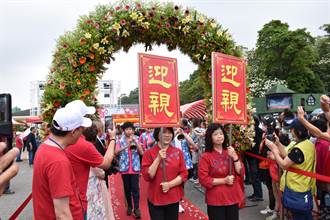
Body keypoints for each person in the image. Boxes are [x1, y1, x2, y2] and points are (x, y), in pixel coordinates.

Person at [32, 106, 90, 219]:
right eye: (81, 130)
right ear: (74, 132)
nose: (82, 135)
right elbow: (62, 214)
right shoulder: (58, 161)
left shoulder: (44, 147)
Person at [63, 100, 115, 218]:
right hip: (78, 200)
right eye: (85, 116)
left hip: (67, 198)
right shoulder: (82, 144)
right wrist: (113, 139)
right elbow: (106, 164)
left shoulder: (52, 143)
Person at [266, 118, 316, 220]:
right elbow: (288, 155)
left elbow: (284, 164)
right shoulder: (308, 144)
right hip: (305, 187)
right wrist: (278, 143)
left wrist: (274, 150)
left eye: (292, 129)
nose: (291, 132)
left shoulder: (299, 149)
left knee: (299, 216)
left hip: (297, 189)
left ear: (299, 131)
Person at [198, 123, 243, 220]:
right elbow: (203, 179)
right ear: (210, 137)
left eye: (221, 133)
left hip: (232, 196)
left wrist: (235, 157)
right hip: (215, 199)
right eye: (215, 134)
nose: (219, 136)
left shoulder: (230, 152)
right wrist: (224, 180)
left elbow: (240, 172)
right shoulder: (205, 156)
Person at [142, 127, 188, 220]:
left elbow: (184, 174)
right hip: (156, 197)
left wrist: (170, 184)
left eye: (170, 132)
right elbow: (148, 176)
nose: (167, 135)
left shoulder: (178, 152)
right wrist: (158, 158)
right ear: (157, 135)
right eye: (164, 132)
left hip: (173, 198)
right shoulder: (149, 153)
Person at [115, 121, 144, 219]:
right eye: (127, 129)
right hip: (125, 168)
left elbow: (141, 152)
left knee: (136, 189)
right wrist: (126, 146)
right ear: (124, 130)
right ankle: (129, 207)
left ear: (133, 130)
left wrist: (135, 142)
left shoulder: (136, 138)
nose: (129, 131)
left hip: (135, 168)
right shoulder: (120, 140)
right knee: (127, 189)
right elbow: (116, 152)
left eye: (130, 129)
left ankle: (136, 208)